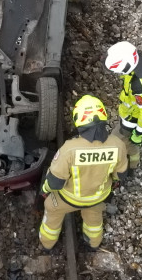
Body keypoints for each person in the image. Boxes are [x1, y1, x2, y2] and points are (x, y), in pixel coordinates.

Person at [38, 95, 128, 252]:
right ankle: (93, 243)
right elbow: (120, 176)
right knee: (94, 219)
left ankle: (47, 244)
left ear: (78, 119)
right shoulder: (118, 145)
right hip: (98, 198)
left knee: (51, 209)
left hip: (68, 199)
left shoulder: (69, 149)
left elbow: (55, 183)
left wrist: (44, 191)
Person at [104, 41, 142, 170]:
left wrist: (138, 133)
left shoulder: (138, 86)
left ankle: (131, 167)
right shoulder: (140, 61)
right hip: (129, 111)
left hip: (131, 119)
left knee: (121, 142)